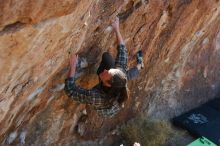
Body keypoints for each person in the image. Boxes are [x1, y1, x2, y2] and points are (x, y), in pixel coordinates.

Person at [64, 17, 143, 118]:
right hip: (119, 84)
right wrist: (117, 29)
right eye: (110, 70)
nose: (106, 70)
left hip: (106, 110)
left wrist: (73, 66)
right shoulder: (120, 74)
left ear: (108, 84)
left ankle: (140, 66)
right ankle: (140, 65)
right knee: (112, 61)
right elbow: (123, 51)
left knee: (127, 75)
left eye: (108, 73)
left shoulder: (96, 97)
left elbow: (70, 90)